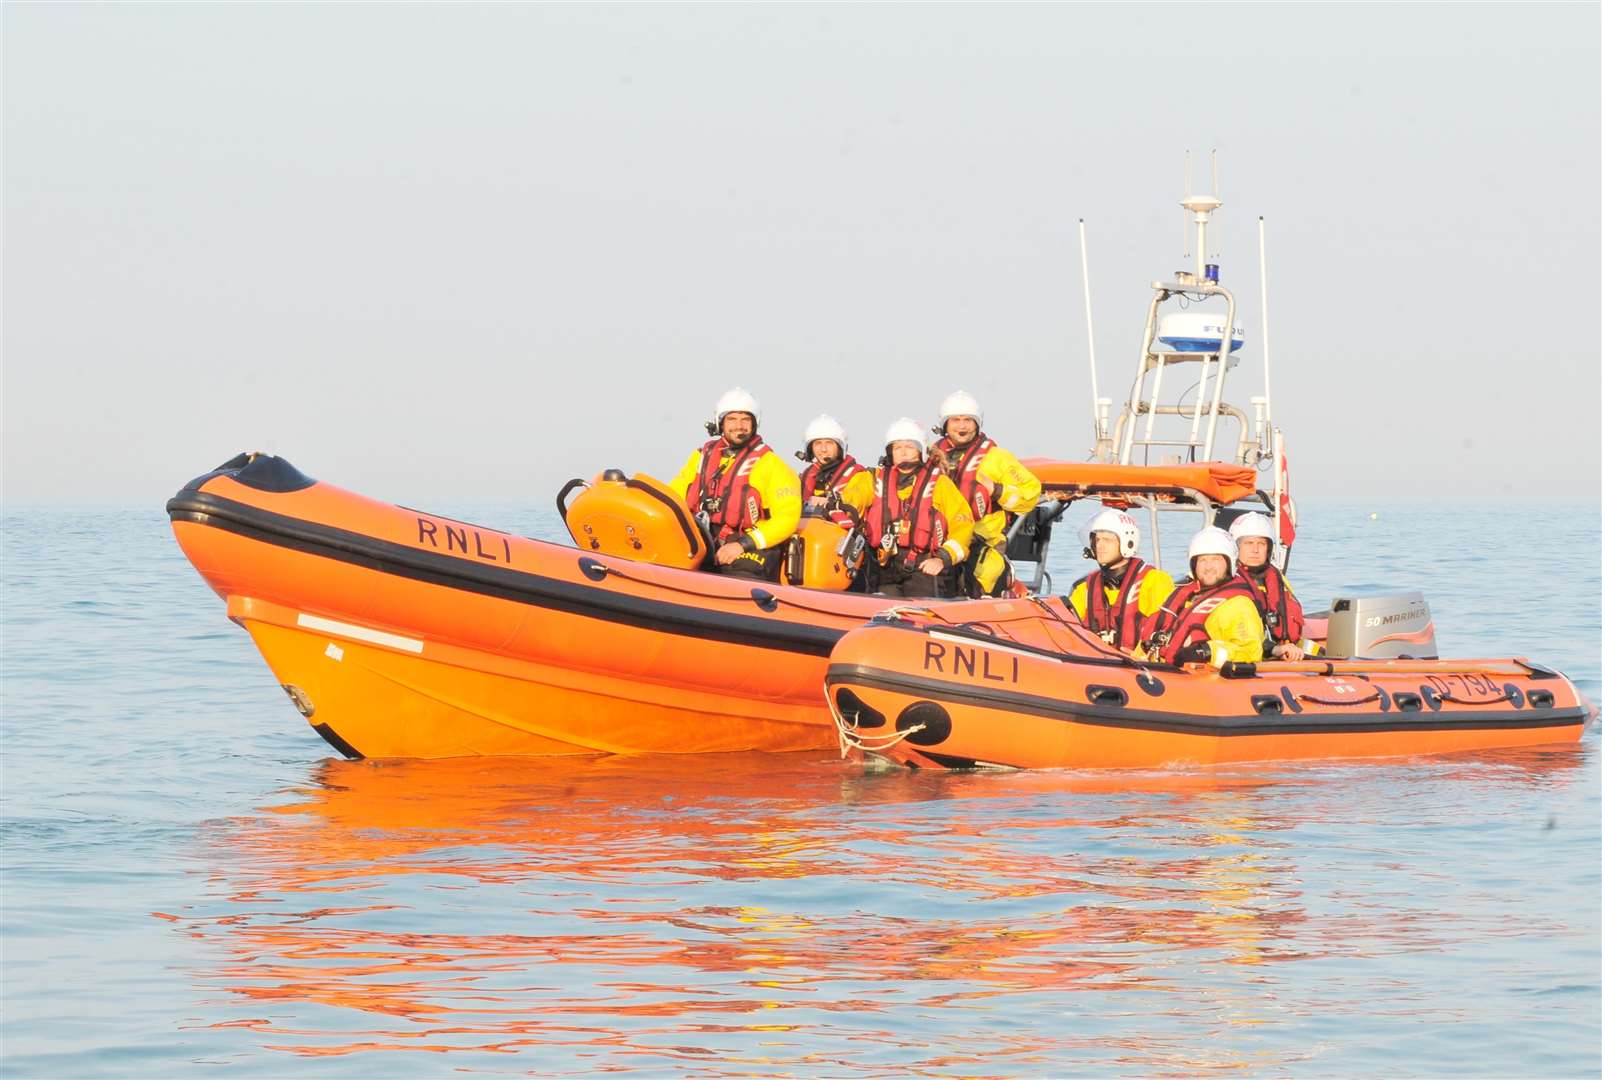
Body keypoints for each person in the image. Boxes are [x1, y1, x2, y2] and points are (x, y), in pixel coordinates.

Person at [668, 388, 801, 578]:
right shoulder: (701, 458)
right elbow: (674, 494)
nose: (739, 426)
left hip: (749, 545)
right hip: (703, 539)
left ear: (755, 424)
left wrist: (742, 545)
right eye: (732, 419)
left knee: (744, 573)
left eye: (745, 419)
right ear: (720, 423)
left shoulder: (773, 465)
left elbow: (787, 518)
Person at [838, 418, 973, 598]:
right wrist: (833, 503)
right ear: (889, 452)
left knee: (920, 610)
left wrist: (942, 559)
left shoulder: (940, 485)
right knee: (881, 607)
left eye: (909, 447)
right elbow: (851, 499)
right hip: (884, 567)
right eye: (897, 448)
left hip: (923, 567)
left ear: (921, 450)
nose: (903, 452)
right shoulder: (872, 479)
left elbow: (963, 525)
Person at [930, 391, 1041, 596]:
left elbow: (1031, 492)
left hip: (982, 543)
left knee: (983, 578)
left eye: (968, 420)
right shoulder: (931, 456)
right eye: (955, 420)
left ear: (977, 424)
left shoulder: (997, 458)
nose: (962, 426)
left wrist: (998, 491)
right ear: (944, 424)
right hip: (940, 544)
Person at [1140, 526, 1264, 666]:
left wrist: (1206, 651)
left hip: (1206, 681)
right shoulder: (1184, 597)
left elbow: (1250, 652)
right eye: (1202, 560)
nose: (1208, 567)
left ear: (1229, 563)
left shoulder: (1238, 605)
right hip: (1164, 674)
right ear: (1194, 565)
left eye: (1215, 559)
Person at [1066, 509, 1175, 650]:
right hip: (1094, 664)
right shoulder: (1085, 588)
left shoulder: (1154, 581)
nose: (1099, 545)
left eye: (1107, 540)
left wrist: (1139, 655)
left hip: (1138, 665)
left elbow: (1166, 629)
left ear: (1127, 543)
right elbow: (1064, 625)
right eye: (1097, 539)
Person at [1229, 512, 1308, 661]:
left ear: (1269, 549)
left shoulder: (1278, 580)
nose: (1255, 550)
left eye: (1261, 544)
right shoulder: (1226, 580)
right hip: (1245, 654)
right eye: (1248, 543)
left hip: (1281, 653)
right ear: (1235, 547)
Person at [795, 414, 866, 526]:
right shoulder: (803, 478)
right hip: (808, 535)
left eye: (829, 443)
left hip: (842, 537)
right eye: (818, 443)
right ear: (811, 448)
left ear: (839, 447)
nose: (823, 449)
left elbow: (858, 497)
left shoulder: (860, 475)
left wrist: (834, 500)